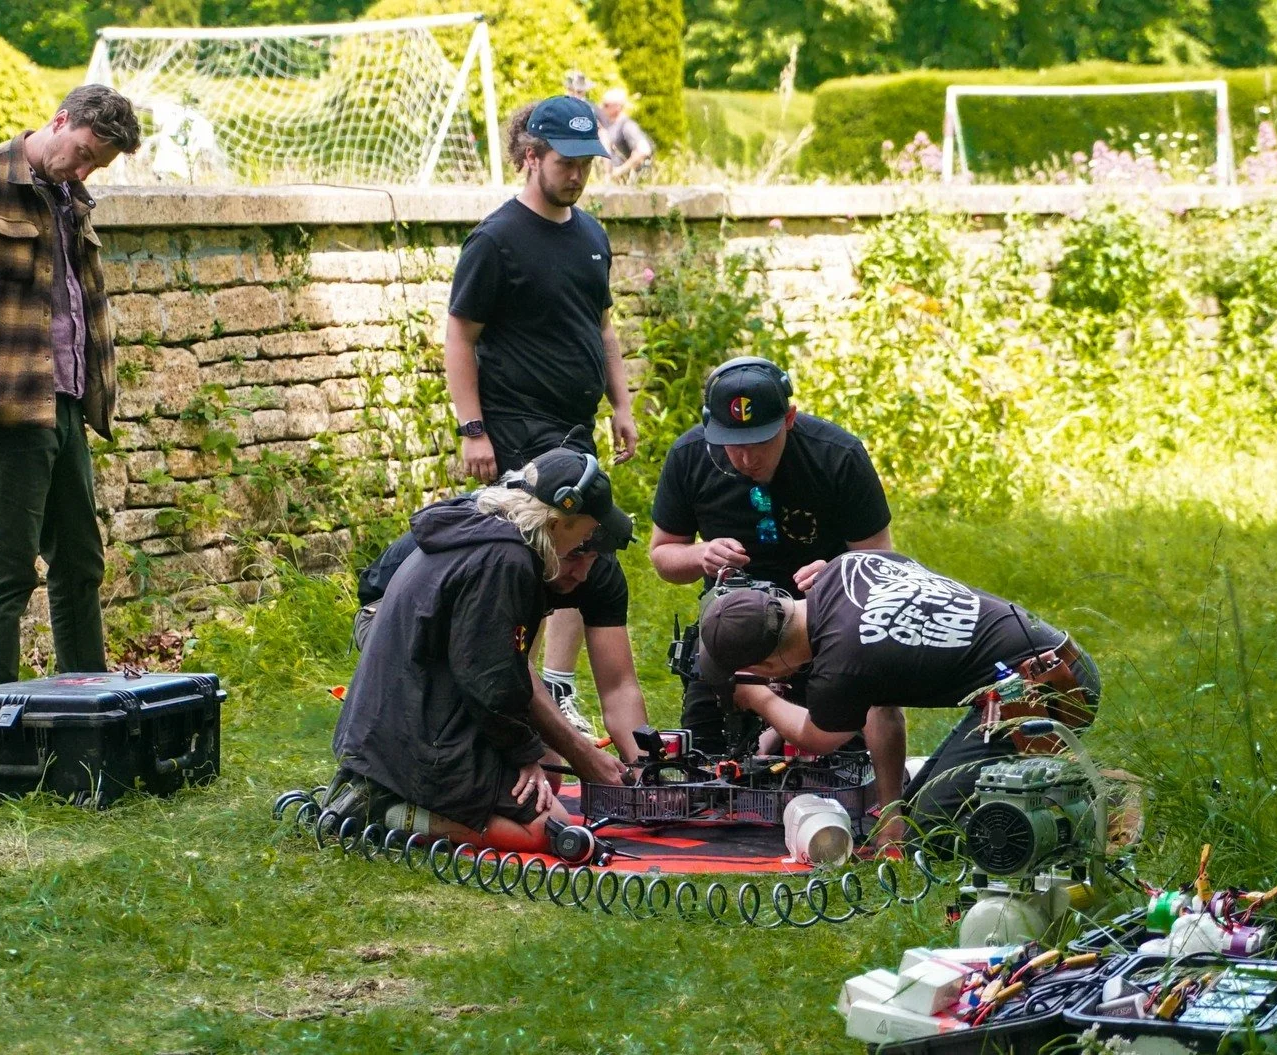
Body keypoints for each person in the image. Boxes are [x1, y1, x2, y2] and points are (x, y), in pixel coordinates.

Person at [0, 85, 141, 688]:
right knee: (9, 569)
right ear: (60, 121)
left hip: (67, 403)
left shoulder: (71, 196)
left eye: (99, 165)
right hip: (7, 409)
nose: (86, 170)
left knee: (82, 563)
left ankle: (90, 707)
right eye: (84, 153)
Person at [330, 448, 629, 856]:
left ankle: (382, 790)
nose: (586, 542)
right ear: (559, 523)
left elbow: (489, 668)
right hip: (419, 738)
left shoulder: (483, 531)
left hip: (397, 725)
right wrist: (524, 756)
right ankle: (384, 811)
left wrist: (532, 752)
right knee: (550, 832)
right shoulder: (506, 560)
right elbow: (489, 677)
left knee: (550, 778)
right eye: (585, 532)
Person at [446, 97, 639, 724]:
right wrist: (473, 429)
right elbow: (460, 336)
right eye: (566, 162)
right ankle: (519, 698)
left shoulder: (590, 234)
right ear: (532, 157)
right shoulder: (495, 240)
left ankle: (556, 685)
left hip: (575, 427)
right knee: (530, 565)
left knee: (585, 551)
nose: (579, 175)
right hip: (516, 426)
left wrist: (622, 403)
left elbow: (602, 328)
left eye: (588, 162)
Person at [694, 550, 1100, 846]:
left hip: (1049, 692)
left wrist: (758, 699)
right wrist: (891, 817)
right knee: (911, 814)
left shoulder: (841, 663)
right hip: (1039, 667)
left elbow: (817, 736)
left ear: (767, 665)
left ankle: (1079, 799)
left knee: (930, 834)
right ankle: (1042, 779)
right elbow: (882, 708)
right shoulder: (843, 567)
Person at [649, 356, 894, 755]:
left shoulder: (837, 456)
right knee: (705, 756)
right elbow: (663, 556)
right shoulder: (689, 455)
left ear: (789, 419)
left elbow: (882, 565)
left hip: (824, 626)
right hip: (732, 625)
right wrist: (700, 555)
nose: (745, 459)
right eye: (732, 444)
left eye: (759, 442)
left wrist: (838, 574)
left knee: (842, 757)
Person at [354, 487, 650, 761]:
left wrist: (645, 768)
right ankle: (387, 797)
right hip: (392, 616)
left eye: (593, 558)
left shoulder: (598, 571)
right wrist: (580, 757)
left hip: (478, 630)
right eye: (574, 556)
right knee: (483, 742)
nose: (582, 573)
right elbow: (497, 669)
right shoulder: (510, 554)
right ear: (552, 532)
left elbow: (618, 686)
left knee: (547, 768)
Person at [597, 87, 654, 183]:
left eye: (606, 105)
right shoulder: (609, 125)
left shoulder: (627, 126)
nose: (601, 107)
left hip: (627, 184)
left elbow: (644, 150)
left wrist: (620, 170)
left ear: (617, 107)